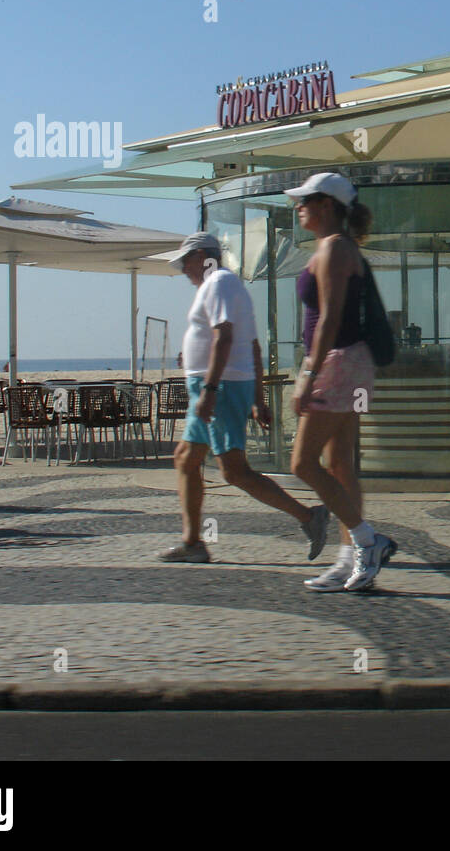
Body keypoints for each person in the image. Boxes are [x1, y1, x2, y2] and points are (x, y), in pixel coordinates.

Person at [161, 231, 329, 563]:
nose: (182, 270)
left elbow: (224, 337)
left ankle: (310, 517)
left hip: (220, 387)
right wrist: (258, 398)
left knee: (234, 472)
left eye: (185, 262)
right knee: (185, 458)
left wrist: (210, 391)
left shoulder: (220, 283)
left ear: (201, 257)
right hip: (217, 385)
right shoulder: (222, 285)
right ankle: (193, 542)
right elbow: (251, 346)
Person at [284, 171, 396, 592]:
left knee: (302, 463)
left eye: (305, 200)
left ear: (327, 205)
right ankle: (349, 559)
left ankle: (369, 541)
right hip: (354, 363)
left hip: (339, 361)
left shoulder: (333, 248)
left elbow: (329, 317)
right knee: (341, 466)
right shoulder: (338, 246)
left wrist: (307, 377)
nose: (299, 207)